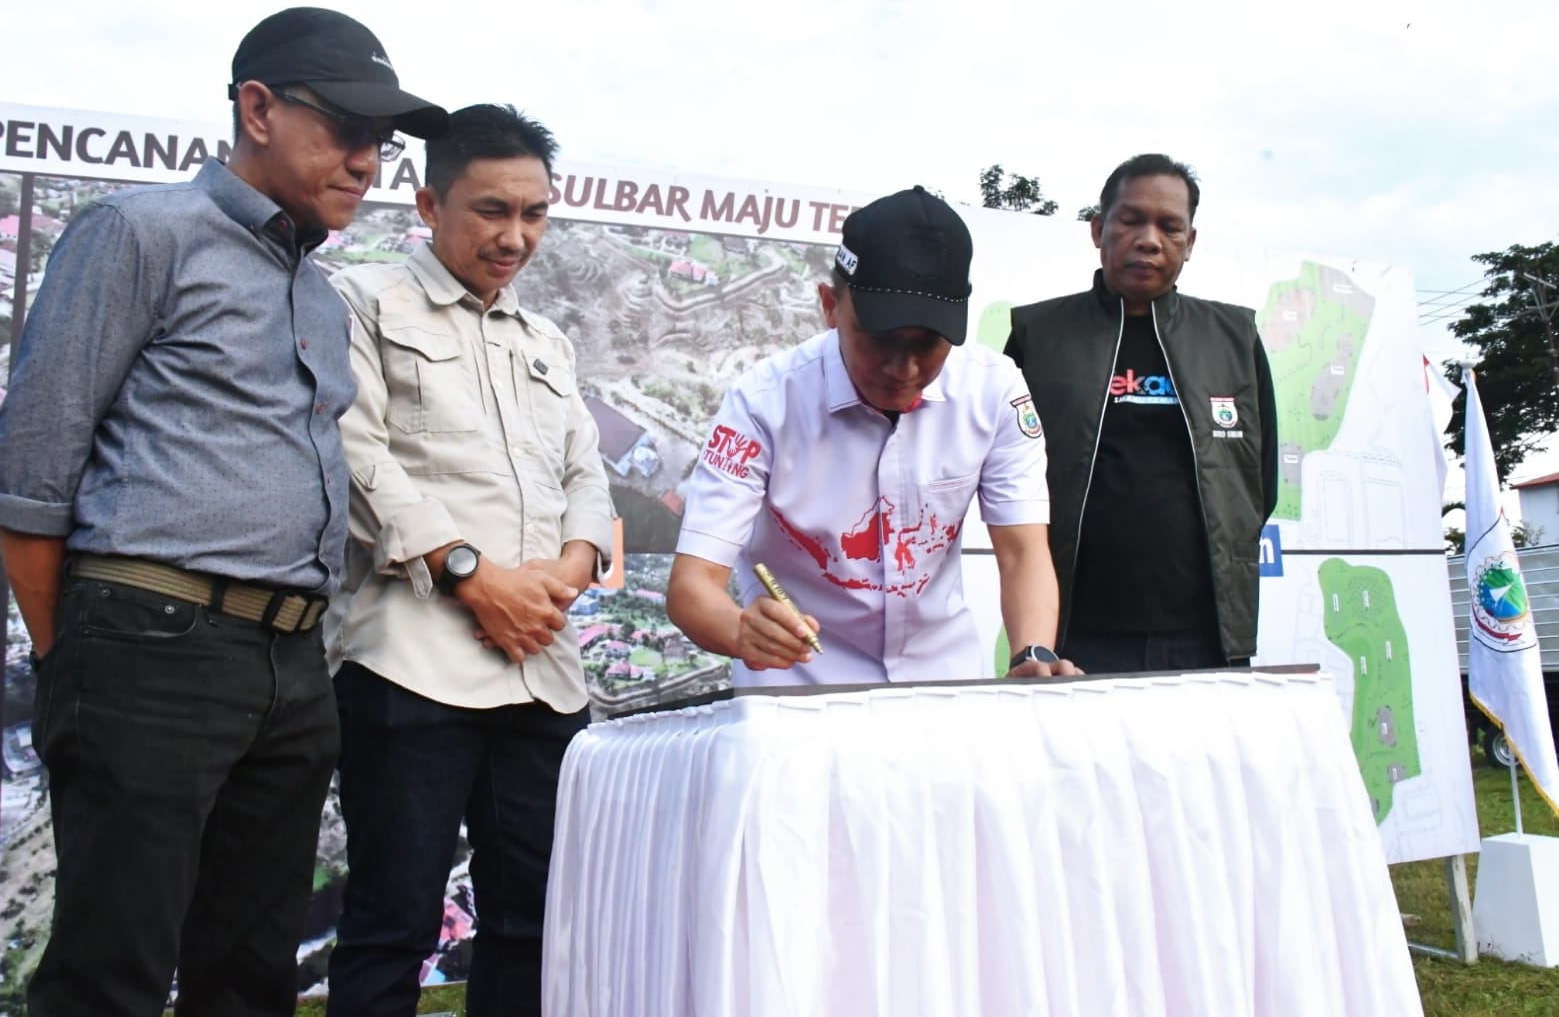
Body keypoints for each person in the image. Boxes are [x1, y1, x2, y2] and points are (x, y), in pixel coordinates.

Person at [0, 7, 446, 1014]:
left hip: (288, 662)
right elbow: (32, 469)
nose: (368, 161)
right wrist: (76, 666)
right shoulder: (140, 234)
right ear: (258, 108)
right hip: (148, 644)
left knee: (249, 975)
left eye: (382, 142)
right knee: (113, 970)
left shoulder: (316, 293)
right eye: (347, 129)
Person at [322, 103, 615, 1017]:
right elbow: (353, 453)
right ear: (427, 203)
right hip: (412, 665)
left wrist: (567, 571)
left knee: (537, 924)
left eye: (533, 214)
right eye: (491, 210)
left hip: (542, 672)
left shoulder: (547, 343)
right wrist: (469, 575)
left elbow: (586, 476)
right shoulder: (358, 301)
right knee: (390, 925)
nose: (514, 236)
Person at [666, 186, 1078, 683]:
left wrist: (1032, 653)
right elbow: (693, 585)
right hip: (799, 692)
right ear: (829, 306)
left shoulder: (995, 390)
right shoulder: (762, 403)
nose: (903, 368)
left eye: (930, 344)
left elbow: (1022, 552)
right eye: (880, 340)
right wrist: (739, 631)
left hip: (945, 687)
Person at [1003, 153, 1278, 674]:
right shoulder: (1039, 336)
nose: (1149, 239)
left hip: (1208, 638)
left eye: (1170, 226)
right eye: (1131, 221)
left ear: (1189, 243)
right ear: (1099, 228)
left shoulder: (1233, 339)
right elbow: (1007, 476)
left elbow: (1258, 480)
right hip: (1074, 638)